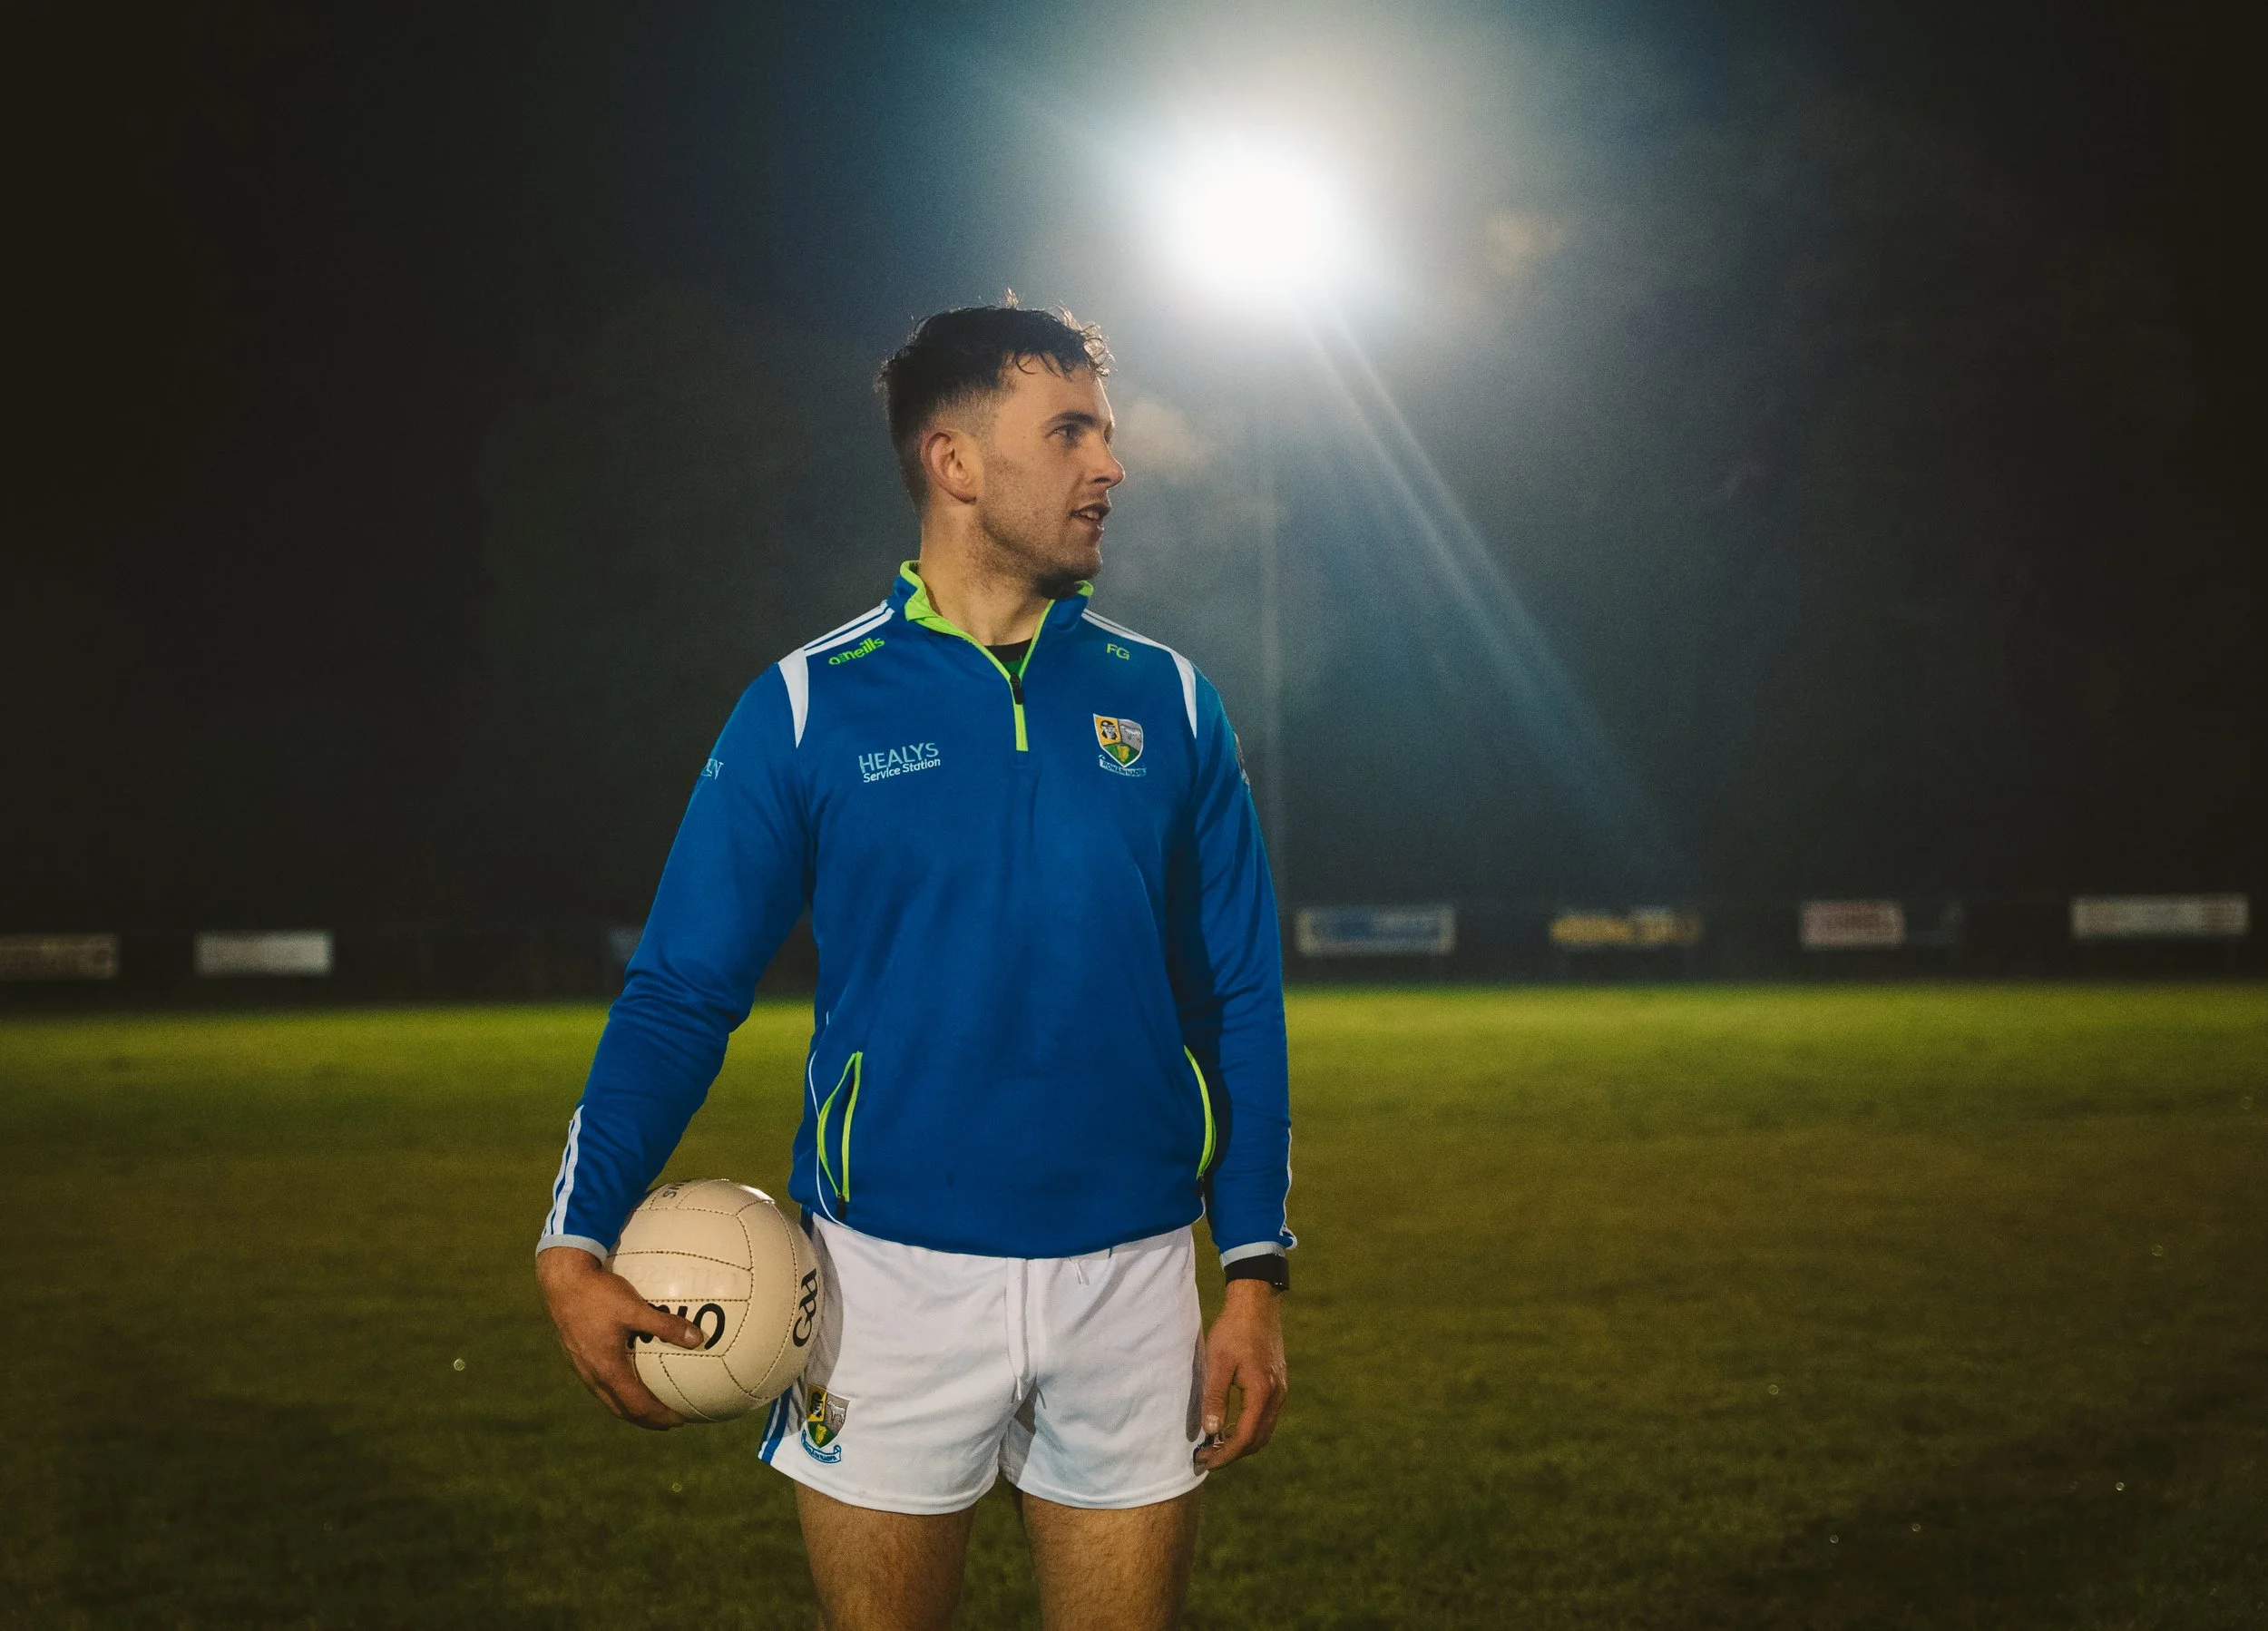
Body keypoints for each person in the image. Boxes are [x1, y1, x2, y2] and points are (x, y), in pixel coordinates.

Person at [534, 301, 1293, 1631]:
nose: (1110, 466)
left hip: (1130, 1281)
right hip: (879, 1287)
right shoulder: (807, 706)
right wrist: (575, 1235)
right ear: (954, 461)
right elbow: (681, 991)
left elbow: (1232, 998)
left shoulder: (1171, 702)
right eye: (1070, 433)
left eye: (1107, 434)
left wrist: (1254, 1275)